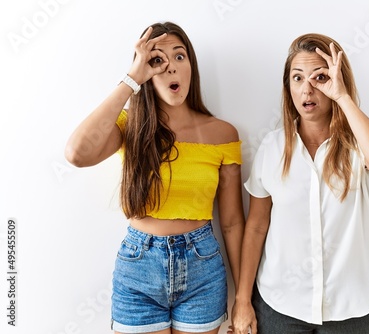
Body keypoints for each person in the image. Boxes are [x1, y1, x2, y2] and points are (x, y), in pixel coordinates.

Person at [65, 21, 245, 334]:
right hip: (138, 266)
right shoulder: (129, 126)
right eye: (157, 60)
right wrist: (132, 79)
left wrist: (243, 296)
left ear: (191, 65)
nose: (172, 68)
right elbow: (76, 154)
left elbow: (231, 223)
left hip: (203, 267)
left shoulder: (222, 134)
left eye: (180, 56)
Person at [230, 33, 369, 334]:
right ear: (288, 87)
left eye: (320, 77)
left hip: (350, 312)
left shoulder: (356, 143)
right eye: (297, 78)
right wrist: (242, 300)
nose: (307, 89)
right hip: (280, 308)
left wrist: (343, 97)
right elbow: (257, 226)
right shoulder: (271, 148)